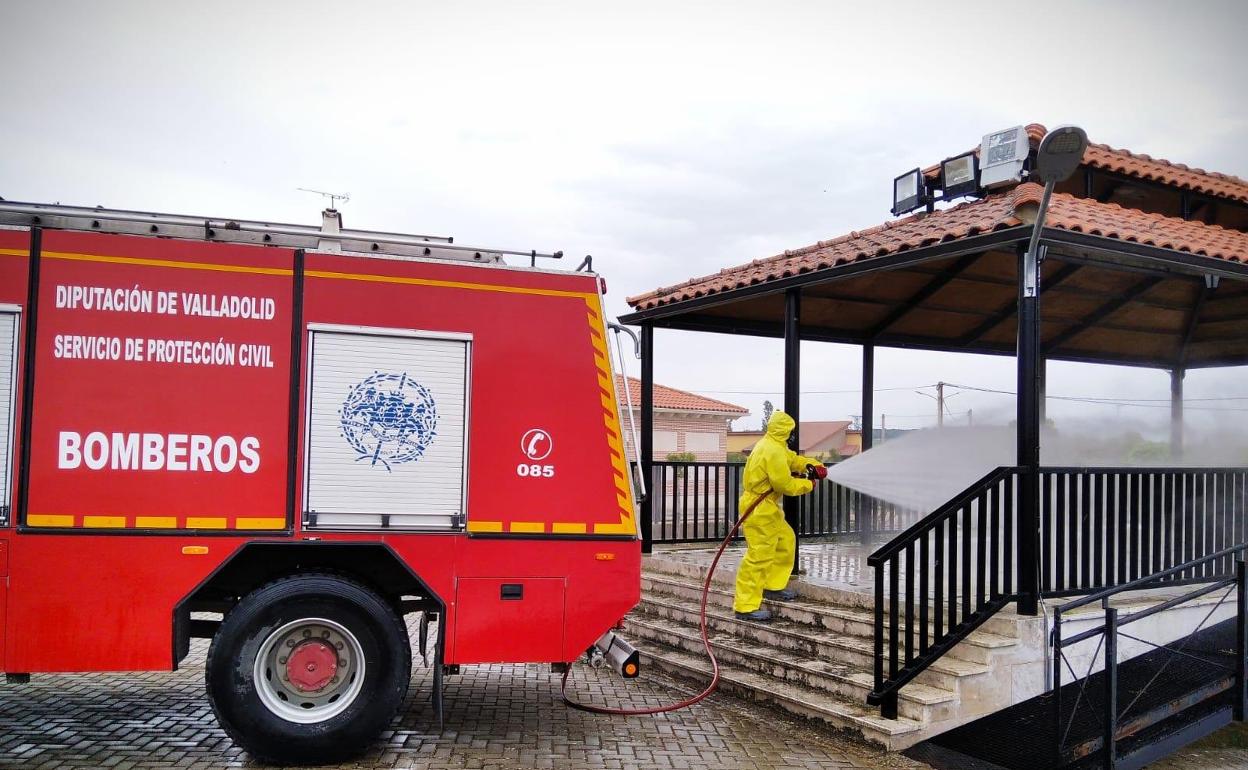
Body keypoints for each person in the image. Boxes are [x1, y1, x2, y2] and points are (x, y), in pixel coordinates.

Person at [733, 410, 826, 622]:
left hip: (767, 507)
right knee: (759, 556)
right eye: (791, 431)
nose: (792, 435)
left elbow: (792, 459)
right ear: (784, 431)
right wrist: (808, 484)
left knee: (785, 540)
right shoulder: (772, 450)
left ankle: (773, 586)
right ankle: (745, 606)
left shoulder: (774, 444)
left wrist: (811, 465)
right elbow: (783, 484)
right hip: (759, 508)